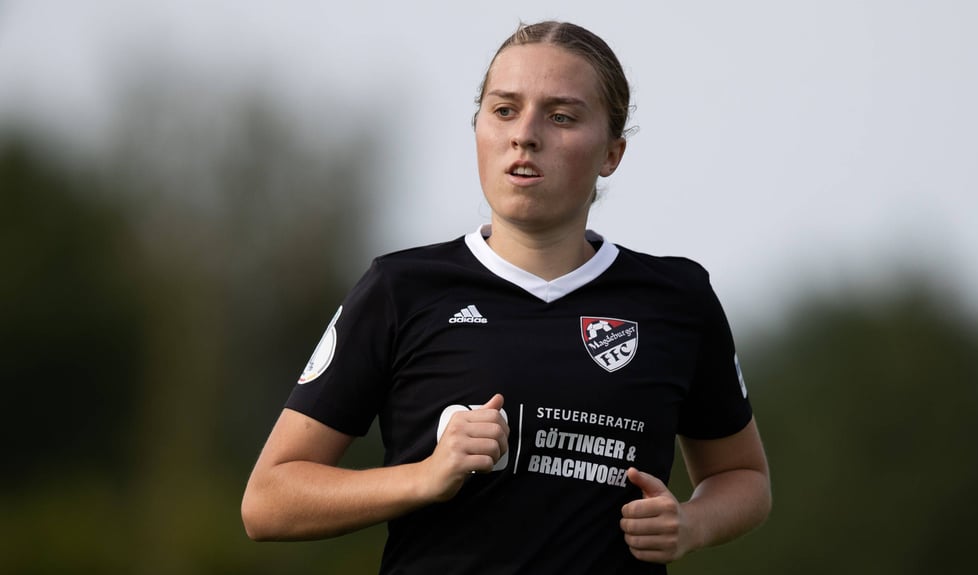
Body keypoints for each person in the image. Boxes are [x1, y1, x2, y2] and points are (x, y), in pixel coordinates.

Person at [241, 20, 771, 574]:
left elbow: (744, 479)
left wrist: (690, 524)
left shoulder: (676, 300)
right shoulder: (402, 289)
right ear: (479, 128)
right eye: (504, 110)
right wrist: (424, 476)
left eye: (561, 116)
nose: (525, 135)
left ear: (612, 153)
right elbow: (268, 502)